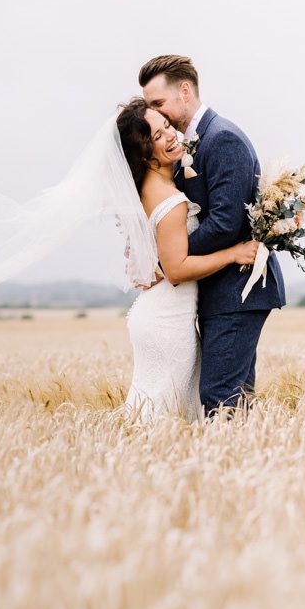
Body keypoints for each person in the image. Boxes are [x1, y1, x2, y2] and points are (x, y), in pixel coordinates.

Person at [138, 55, 286, 414]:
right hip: (219, 289)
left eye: (159, 103)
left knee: (220, 398)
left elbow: (224, 223)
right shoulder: (191, 144)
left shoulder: (222, 140)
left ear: (185, 91)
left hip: (237, 290)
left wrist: (169, 261)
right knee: (233, 401)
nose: (156, 114)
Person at [116, 99, 258, 422]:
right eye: (156, 137)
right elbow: (176, 269)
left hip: (158, 312)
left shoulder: (151, 187)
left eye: (166, 126)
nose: (169, 135)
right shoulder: (169, 198)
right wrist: (233, 253)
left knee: (152, 412)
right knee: (166, 415)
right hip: (169, 320)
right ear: (143, 154)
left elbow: (158, 258)